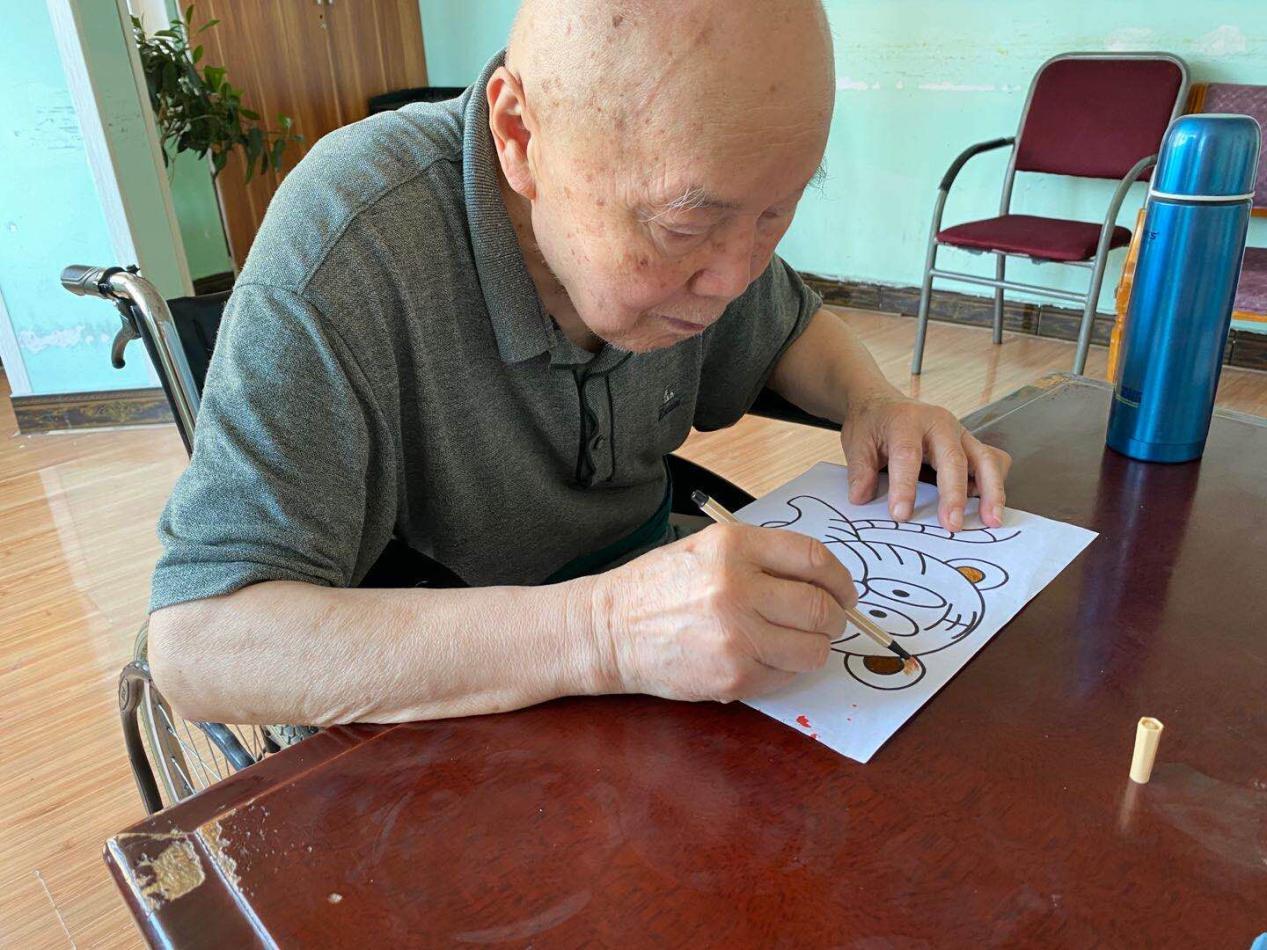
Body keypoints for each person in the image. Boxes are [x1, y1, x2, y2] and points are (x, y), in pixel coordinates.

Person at [148, 0, 1011, 727]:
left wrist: (870, 398)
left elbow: (784, 327)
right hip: (438, 697)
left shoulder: (705, 213)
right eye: (683, 227)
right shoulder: (349, 243)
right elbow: (200, 647)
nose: (733, 277)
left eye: (775, 214)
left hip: (654, 653)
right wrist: (600, 631)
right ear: (520, 137)